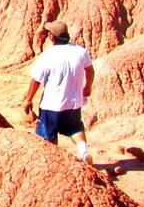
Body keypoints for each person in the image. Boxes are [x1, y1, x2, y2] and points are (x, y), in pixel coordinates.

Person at [22, 20, 95, 164]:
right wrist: (87, 88)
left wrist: (28, 99)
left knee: (48, 135)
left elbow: (36, 81)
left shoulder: (47, 56)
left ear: (51, 36)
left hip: (52, 105)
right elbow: (90, 71)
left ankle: (54, 163)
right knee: (75, 127)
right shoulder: (80, 51)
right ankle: (83, 152)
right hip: (74, 104)